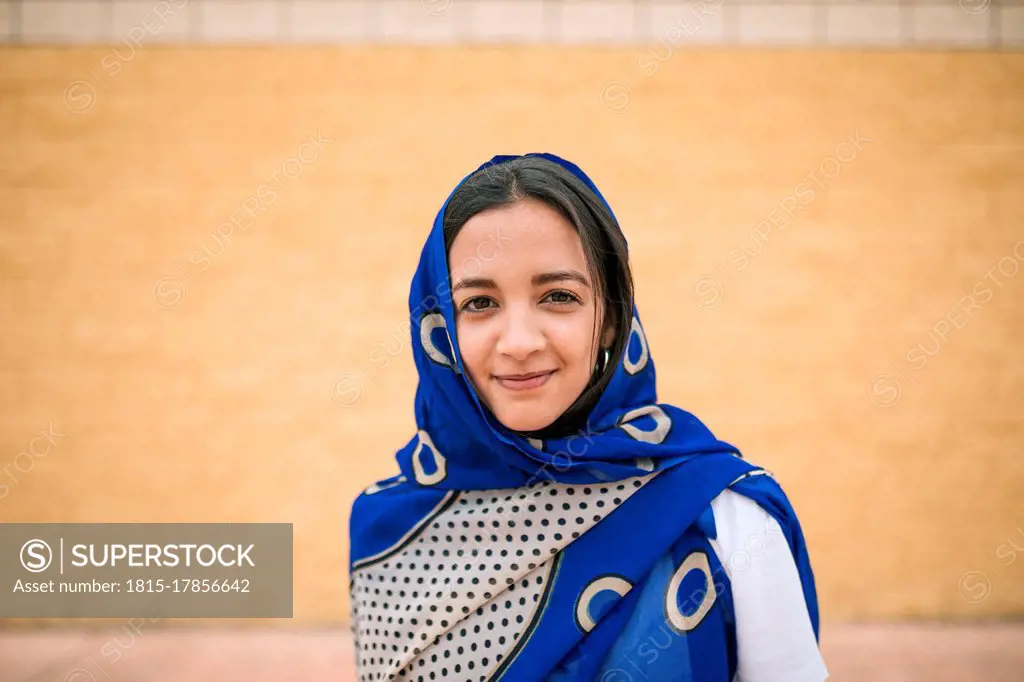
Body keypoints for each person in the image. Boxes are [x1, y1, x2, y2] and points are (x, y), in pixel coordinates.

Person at [348, 153, 828, 682]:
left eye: (558, 296)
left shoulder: (722, 515)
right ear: (440, 330)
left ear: (611, 320)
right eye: (480, 304)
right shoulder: (388, 528)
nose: (520, 342)